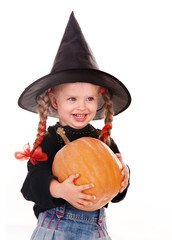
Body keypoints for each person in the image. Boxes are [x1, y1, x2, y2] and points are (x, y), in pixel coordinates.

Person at [15, 12, 131, 240]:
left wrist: (124, 178)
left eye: (89, 98)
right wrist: (59, 189)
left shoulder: (103, 139)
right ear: (55, 102)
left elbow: (115, 194)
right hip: (57, 225)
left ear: (99, 99)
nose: (82, 106)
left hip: (96, 228)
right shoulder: (49, 141)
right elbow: (30, 186)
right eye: (72, 99)